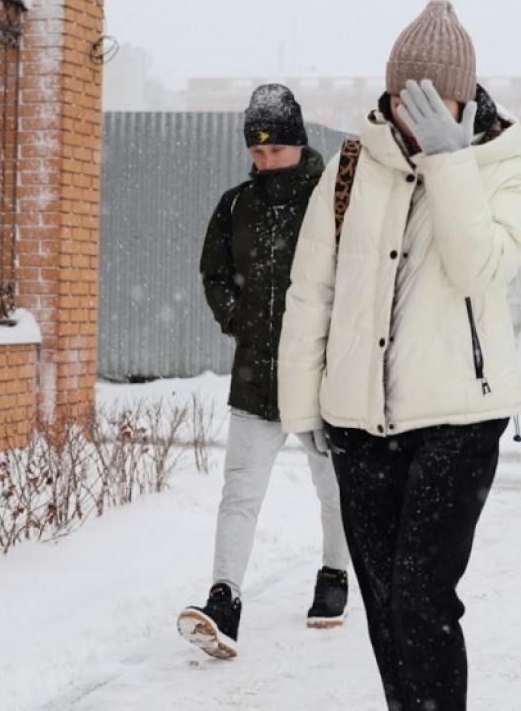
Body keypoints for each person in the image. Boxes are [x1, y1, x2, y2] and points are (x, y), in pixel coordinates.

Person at [278, 0, 521, 711]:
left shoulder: (504, 167)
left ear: (467, 96)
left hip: (459, 417)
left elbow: (480, 266)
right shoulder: (349, 167)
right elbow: (313, 292)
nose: (413, 113)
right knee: (387, 605)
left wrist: (451, 161)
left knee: (423, 600)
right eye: (402, 98)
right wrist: (304, 408)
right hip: (362, 424)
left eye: (435, 99)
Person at [177, 84, 351, 660]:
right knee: (240, 493)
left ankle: (334, 575)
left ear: (298, 144)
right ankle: (224, 599)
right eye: (256, 151)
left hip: (322, 376)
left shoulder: (333, 201)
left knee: (334, 489)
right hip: (255, 374)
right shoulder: (235, 206)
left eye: (275, 149)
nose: (264, 160)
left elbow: (358, 279)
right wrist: (242, 324)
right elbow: (214, 274)